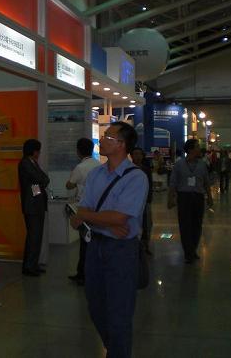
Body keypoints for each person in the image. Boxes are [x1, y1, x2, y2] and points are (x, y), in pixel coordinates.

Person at [69, 122, 148, 358]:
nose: (101, 140)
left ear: (121, 145)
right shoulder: (96, 174)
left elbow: (119, 217)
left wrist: (90, 217)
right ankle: (115, 350)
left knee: (119, 313)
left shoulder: (136, 178)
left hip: (121, 250)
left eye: (108, 137)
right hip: (95, 247)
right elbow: (84, 210)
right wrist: (104, 220)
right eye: (103, 136)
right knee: (96, 307)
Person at [167, 139, 213, 264]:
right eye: (197, 146)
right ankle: (188, 252)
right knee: (185, 225)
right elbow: (173, 183)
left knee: (197, 225)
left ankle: (193, 249)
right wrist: (170, 198)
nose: (199, 149)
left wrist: (209, 197)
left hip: (198, 197)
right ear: (191, 149)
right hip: (184, 198)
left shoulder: (202, 164)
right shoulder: (179, 164)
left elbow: (206, 182)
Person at [66, 138, 101, 285]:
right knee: (93, 241)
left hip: (83, 208)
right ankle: (91, 273)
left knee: (84, 242)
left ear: (78, 151)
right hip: (97, 208)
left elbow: (69, 185)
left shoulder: (80, 167)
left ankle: (83, 274)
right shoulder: (99, 165)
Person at [18, 139, 50, 277]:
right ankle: (29, 266)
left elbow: (43, 179)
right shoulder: (25, 163)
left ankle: (33, 264)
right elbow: (40, 179)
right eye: (38, 150)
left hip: (37, 204)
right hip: (31, 206)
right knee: (34, 236)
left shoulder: (32, 162)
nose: (39, 153)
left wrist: (41, 182)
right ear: (33, 151)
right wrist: (41, 182)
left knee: (36, 236)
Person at [131, 147, 153, 255]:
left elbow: (150, 185)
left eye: (139, 154)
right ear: (131, 156)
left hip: (145, 201)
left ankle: (145, 245)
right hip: (132, 202)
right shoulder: (128, 169)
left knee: (146, 223)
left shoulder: (146, 169)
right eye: (135, 154)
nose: (138, 156)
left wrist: (149, 199)